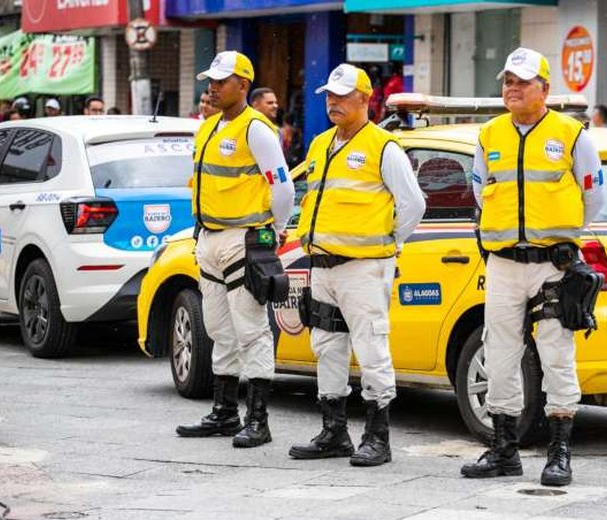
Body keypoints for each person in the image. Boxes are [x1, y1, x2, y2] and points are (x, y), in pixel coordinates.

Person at [460, 47, 604, 486]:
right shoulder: (489, 135)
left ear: (544, 88)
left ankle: (559, 453)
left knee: (556, 352)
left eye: (522, 82)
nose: (513, 89)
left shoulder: (572, 135)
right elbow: (481, 191)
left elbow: (593, 198)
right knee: (499, 354)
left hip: (553, 265)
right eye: (508, 81)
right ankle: (504, 450)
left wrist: (562, 239)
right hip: (504, 263)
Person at [289, 63, 425, 467]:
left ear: (365, 99)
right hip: (323, 265)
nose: (333, 102)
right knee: (326, 347)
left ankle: (377, 436)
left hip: (364, 268)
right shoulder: (320, 145)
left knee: (371, 349)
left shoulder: (384, 147)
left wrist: (387, 243)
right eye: (329, 95)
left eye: (342, 95)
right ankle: (334, 432)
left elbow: (414, 205)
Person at [176, 51, 295, 449]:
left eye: (221, 80)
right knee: (218, 330)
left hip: (243, 239)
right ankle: (224, 413)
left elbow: (283, 187)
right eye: (211, 78)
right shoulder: (208, 128)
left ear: (242, 85)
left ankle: (257, 420)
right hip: (209, 239)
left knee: (252, 331)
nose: (212, 86)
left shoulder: (256, 129)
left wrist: (273, 231)